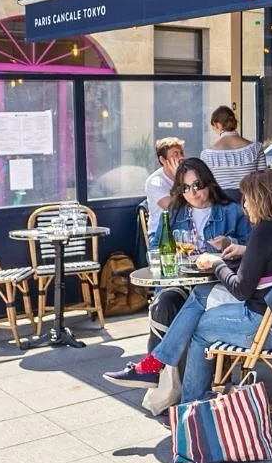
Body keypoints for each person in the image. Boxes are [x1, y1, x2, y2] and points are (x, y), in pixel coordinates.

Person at [109, 170, 272, 406]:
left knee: (199, 328)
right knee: (201, 293)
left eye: (247, 198)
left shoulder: (264, 232)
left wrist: (217, 263)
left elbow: (241, 290)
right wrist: (246, 251)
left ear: (260, 198)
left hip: (266, 327)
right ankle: (155, 365)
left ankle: (191, 407)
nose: (244, 204)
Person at [105, 159, 250, 384]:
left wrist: (228, 243)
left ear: (209, 183)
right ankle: (161, 379)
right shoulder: (175, 212)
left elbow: (251, 249)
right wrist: (167, 256)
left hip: (218, 286)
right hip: (182, 282)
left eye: (197, 185)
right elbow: (155, 247)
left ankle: (163, 370)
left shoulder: (231, 211)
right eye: (185, 188)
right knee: (164, 304)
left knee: (196, 310)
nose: (192, 193)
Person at [200, 105, 265, 199]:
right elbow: (263, 180)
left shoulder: (207, 155)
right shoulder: (256, 148)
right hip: (251, 203)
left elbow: (207, 186)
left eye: (213, 126)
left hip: (222, 205)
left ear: (217, 124)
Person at [143, 138, 183, 237]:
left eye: (181, 153)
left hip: (183, 230)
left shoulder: (187, 175)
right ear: (163, 160)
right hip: (160, 234)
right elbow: (173, 207)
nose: (181, 157)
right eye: (176, 154)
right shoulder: (155, 181)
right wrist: (179, 179)